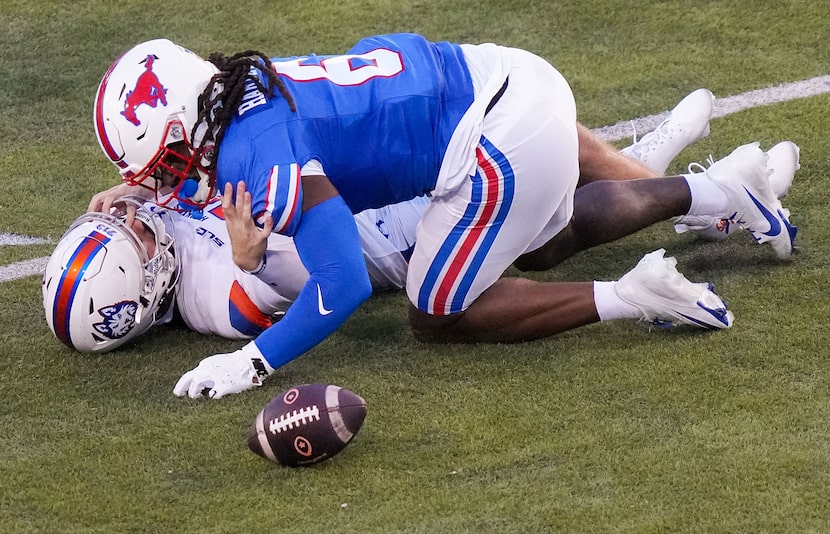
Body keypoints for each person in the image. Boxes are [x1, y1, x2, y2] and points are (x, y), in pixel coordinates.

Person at [89, 35, 798, 400]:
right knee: (544, 243)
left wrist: (253, 362)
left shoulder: (254, 159)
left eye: (161, 164)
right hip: (505, 79)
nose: (160, 181)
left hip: (492, 137)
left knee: (436, 309)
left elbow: (342, 282)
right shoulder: (240, 90)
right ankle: (722, 194)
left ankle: (635, 294)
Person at [43, 195, 426, 352]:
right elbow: (325, 275)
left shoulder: (155, 230)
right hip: (394, 225)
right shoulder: (220, 300)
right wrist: (258, 263)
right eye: (134, 238)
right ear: (144, 292)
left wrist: (149, 177)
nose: (133, 220)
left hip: (343, 171)